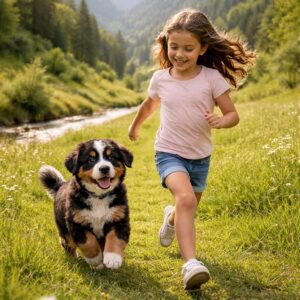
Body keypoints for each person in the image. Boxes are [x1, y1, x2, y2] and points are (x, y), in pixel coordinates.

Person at [128, 8, 256, 290]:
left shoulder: (211, 78)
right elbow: (148, 105)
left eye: (188, 48)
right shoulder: (161, 78)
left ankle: (170, 218)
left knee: (186, 206)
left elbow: (232, 114)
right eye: (174, 47)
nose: (179, 54)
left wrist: (222, 121)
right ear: (166, 44)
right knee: (185, 198)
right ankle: (190, 265)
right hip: (169, 152)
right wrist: (135, 126)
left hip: (200, 157)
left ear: (203, 48)